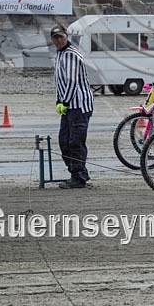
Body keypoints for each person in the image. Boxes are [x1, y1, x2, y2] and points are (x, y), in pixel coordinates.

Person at [51, 25, 94, 189]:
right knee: (64, 141)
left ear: (66, 36)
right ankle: (78, 172)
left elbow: (71, 82)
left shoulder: (71, 55)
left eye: (61, 37)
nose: (59, 40)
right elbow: (59, 82)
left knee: (75, 142)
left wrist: (65, 102)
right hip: (69, 106)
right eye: (55, 38)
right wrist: (58, 101)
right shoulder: (60, 54)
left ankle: (78, 177)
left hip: (79, 106)